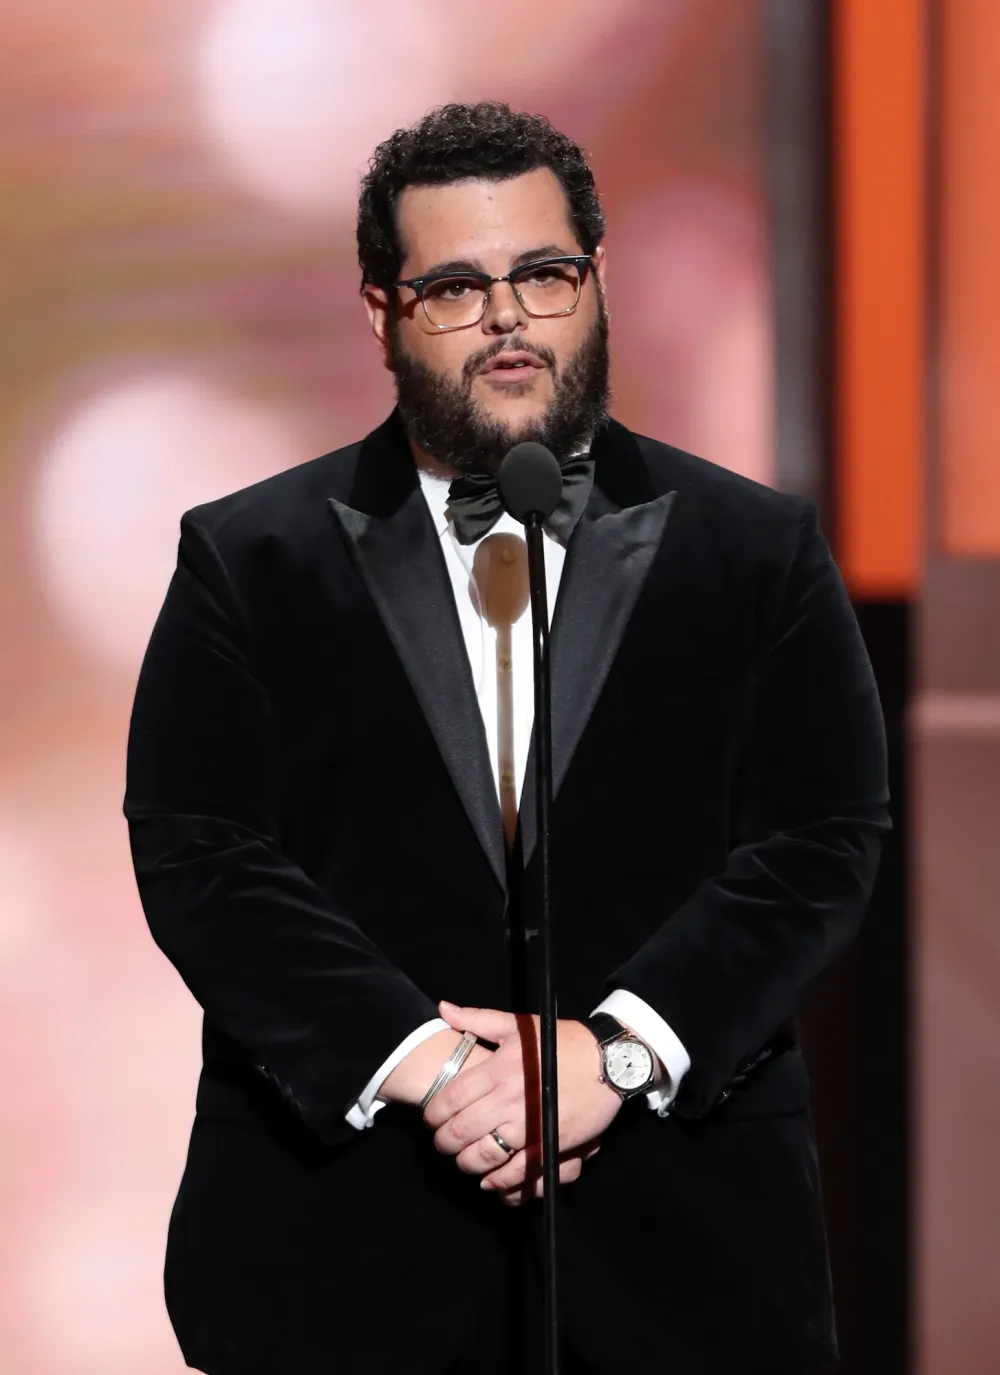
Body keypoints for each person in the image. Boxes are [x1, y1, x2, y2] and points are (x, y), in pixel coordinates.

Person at [123, 101, 890, 1375]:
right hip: (343, 1256)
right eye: (456, 288)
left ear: (599, 280)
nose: (509, 320)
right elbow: (203, 852)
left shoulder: (754, 548)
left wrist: (615, 1049)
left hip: (683, 1249)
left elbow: (820, 840)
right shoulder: (247, 558)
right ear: (381, 313)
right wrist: (431, 1066)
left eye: (542, 274)